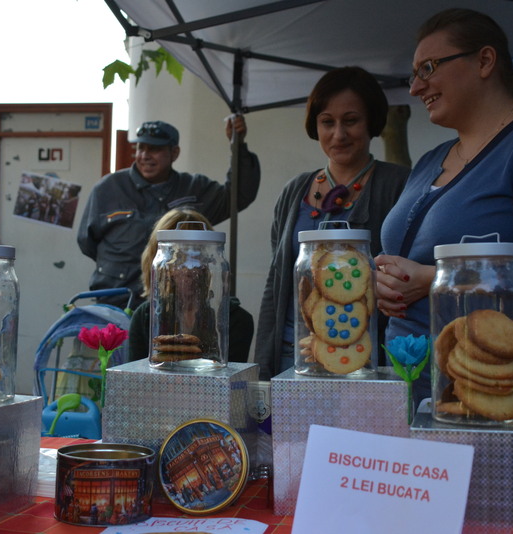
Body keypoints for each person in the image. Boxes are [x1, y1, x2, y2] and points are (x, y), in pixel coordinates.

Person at [375, 8, 513, 473]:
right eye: (413, 75)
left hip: (501, 395)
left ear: (485, 61)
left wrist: (435, 280)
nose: (416, 88)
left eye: (428, 68)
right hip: (417, 388)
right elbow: (408, 256)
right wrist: (381, 281)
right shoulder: (431, 159)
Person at [254, 67, 409, 380]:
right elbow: (276, 282)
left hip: (361, 359)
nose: (338, 134)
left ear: (372, 122)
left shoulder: (399, 185)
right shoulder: (294, 190)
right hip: (293, 357)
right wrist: (262, 365)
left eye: (351, 121)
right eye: (327, 122)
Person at [77, 117, 261, 310]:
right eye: (141, 148)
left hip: (175, 309)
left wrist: (238, 147)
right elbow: (86, 242)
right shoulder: (108, 188)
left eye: (154, 149)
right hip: (117, 305)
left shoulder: (193, 189)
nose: (145, 155)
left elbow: (238, 195)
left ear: (174, 153)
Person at [128, 207, 254, 363]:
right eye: (178, 257)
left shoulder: (236, 320)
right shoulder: (144, 318)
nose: (188, 268)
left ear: (210, 260)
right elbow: (137, 373)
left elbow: (229, 374)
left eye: (197, 256)